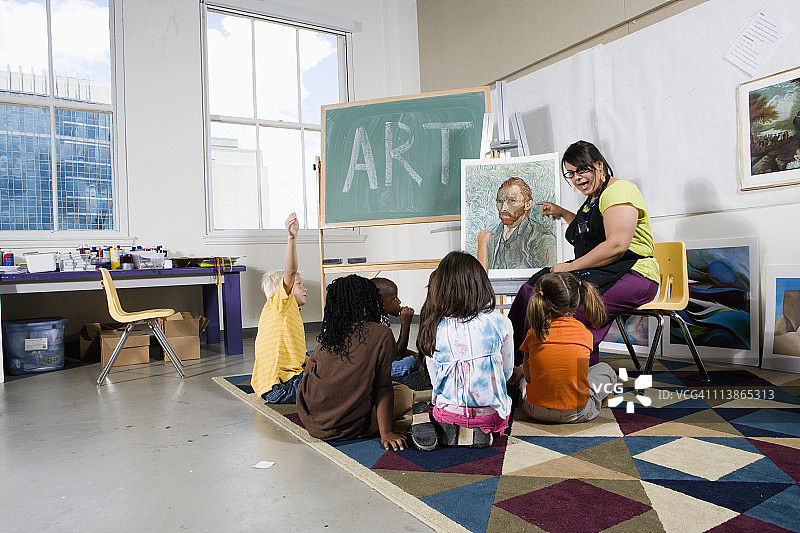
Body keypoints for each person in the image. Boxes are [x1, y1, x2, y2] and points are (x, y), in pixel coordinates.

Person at [508, 140, 660, 366]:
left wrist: (569, 267)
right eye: (571, 173)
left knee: (569, 306)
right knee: (532, 290)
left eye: (582, 170)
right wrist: (561, 212)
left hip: (635, 273)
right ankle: (516, 365)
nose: (577, 178)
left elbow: (616, 245)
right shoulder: (593, 198)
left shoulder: (619, 191)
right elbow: (588, 232)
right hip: (605, 269)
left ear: (599, 166)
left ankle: (575, 380)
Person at [410, 251, 514, 451]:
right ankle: (479, 431)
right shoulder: (501, 322)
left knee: (422, 407)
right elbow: (506, 374)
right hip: (493, 414)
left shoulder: (434, 326)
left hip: (449, 412)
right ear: (481, 284)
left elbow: (436, 381)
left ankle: (448, 427)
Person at [295, 274, 412, 450]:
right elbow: (382, 387)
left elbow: (310, 368)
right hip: (348, 427)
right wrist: (386, 433)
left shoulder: (330, 334)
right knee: (404, 394)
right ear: (372, 302)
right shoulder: (381, 333)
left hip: (312, 420)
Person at [518, 272, 617, 423]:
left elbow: (529, 377)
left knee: (523, 381)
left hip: (536, 411)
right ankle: (597, 403)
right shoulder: (585, 334)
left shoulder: (533, 334)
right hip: (578, 412)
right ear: (578, 300)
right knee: (606, 370)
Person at [250, 212, 307, 404]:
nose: (304, 288)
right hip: (281, 387)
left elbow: (297, 353)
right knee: (342, 377)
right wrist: (292, 238)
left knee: (314, 356)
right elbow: (289, 271)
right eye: (299, 284)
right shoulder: (281, 303)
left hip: (271, 386)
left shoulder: (281, 312)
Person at [477, 177, 556, 270]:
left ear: (528, 204)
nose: (503, 208)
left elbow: (549, 279)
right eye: (500, 201)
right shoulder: (490, 237)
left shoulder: (542, 238)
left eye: (512, 201)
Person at [372, 277, 418, 377]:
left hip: (381, 363)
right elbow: (396, 356)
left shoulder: (382, 317)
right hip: (374, 371)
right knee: (411, 363)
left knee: (417, 359)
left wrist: (418, 355)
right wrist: (405, 324)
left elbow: (392, 349)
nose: (399, 301)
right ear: (379, 303)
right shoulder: (373, 324)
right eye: (394, 298)